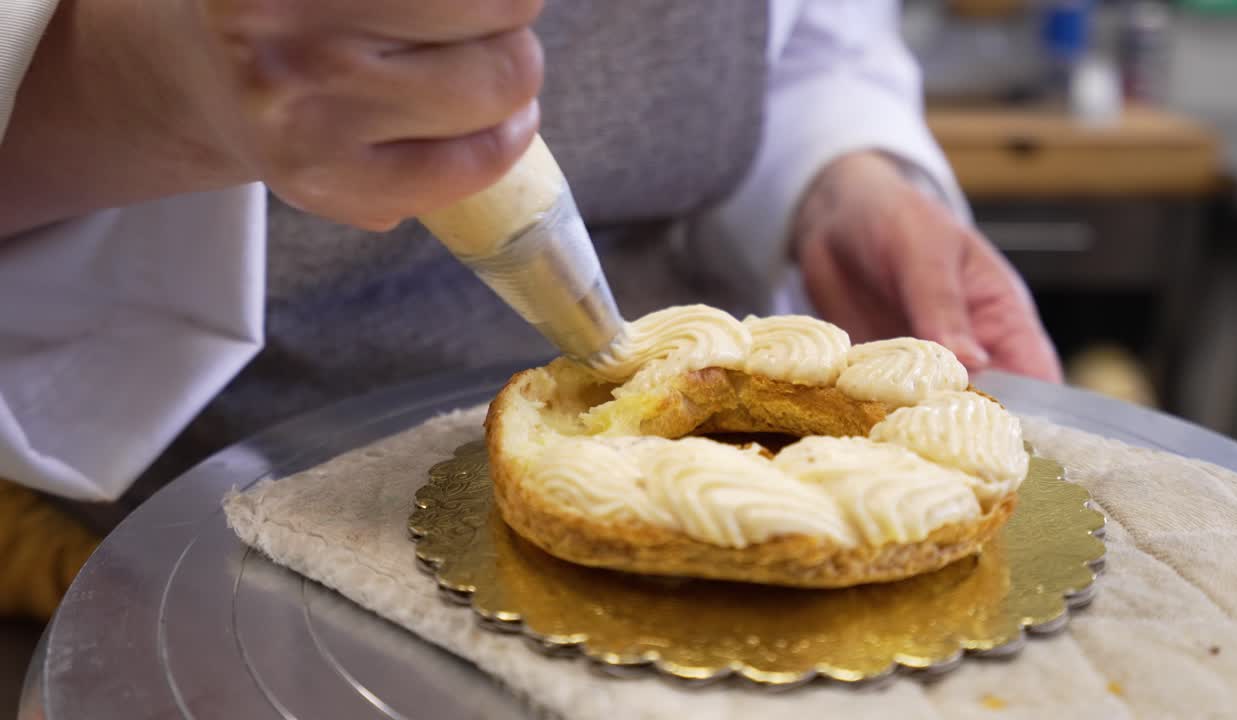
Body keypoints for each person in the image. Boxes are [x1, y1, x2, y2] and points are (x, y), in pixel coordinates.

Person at [0, 0, 1062, 614]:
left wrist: (840, 182)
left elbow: (807, 45)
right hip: (198, 551)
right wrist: (128, 80)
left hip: (736, 526)